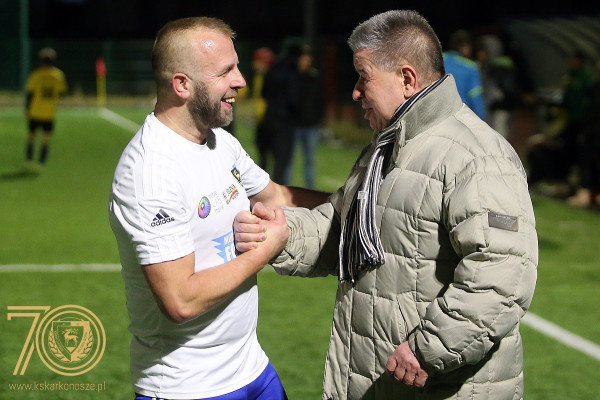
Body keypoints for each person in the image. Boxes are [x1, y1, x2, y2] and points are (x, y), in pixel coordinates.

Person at [234, 10, 538, 399]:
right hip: (381, 380)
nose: (355, 91)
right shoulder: (388, 146)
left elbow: (502, 275)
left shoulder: (477, 155)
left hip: (438, 386)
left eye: (364, 77)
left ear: (407, 79)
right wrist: (282, 233)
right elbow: (343, 227)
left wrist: (429, 348)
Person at [108, 17, 329, 400]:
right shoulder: (150, 173)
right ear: (182, 84)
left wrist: (356, 201)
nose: (241, 81)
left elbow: (274, 195)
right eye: (226, 71)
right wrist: (266, 248)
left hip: (252, 366)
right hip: (189, 386)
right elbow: (181, 300)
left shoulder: (218, 142)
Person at [261, 43, 303, 185]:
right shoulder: (293, 71)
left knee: (265, 159)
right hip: (285, 122)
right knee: (282, 162)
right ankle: (277, 192)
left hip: (269, 118)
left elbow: (264, 92)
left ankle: (259, 190)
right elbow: (294, 98)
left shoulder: (273, 68)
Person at [24, 47, 67, 168]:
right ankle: (41, 161)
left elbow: (30, 93)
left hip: (35, 110)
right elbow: (62, 92)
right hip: (49, 112)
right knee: (45, 138)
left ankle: (29, 159)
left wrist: (27, 108)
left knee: (31, 136)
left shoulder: (36, 74)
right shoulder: (58, 75)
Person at [291, 44, 323, 188]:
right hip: (293, 125)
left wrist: (318, 118)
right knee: (288, 160)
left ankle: (310, 189)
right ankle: (285, 188)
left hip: (310, 125)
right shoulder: (292, 76)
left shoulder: (314, 77)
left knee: (309, 160)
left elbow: (320, 99)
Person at [443, 29, 486, 120]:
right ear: (466, 47)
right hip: (461, 117)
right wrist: (481, 120)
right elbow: (475, 97)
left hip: (439, 115)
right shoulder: (470, 67)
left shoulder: (438, 61)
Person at [251, 47, 275, 170]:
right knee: (262, 154)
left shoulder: (272, 79)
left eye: (257, 61)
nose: (254, 64)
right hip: (260, 120)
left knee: (271, 154)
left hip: (268, 120)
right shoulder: (258, 77)